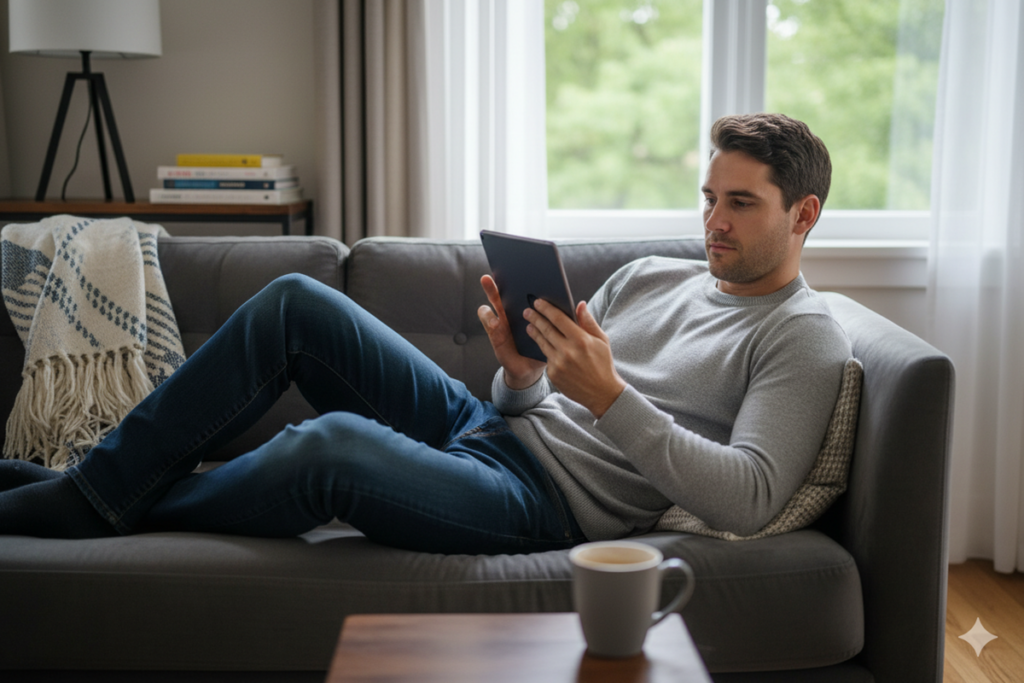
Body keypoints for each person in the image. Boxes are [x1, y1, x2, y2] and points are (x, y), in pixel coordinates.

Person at [0, 113, 851, 553]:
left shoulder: (803, 337)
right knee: (296, 300)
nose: (713, 222)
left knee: (326, 446)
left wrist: (611, 395)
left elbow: (750, 495)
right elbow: (530, 403)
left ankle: (83, 499)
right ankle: (95, 489)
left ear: (803, 214)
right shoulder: (654, 274)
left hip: (543, 506)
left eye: (741, 203)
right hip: (489, 431)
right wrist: (522, 374)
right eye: (709, 198)